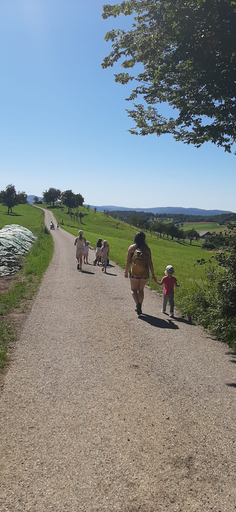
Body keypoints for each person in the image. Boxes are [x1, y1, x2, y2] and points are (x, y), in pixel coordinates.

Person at [125, 231, 156, 315]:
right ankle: (140, 305)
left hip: (134, 272)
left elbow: (128, 261)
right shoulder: (147, 249)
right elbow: (150, 263)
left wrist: (126, 272)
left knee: (133, 290)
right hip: (144, 273)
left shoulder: (131, 248)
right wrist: (153, 274)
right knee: (141, 290)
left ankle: (137, 304)